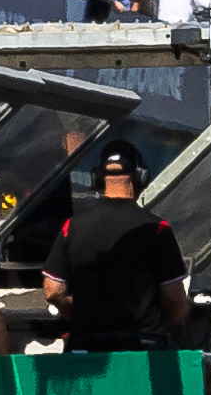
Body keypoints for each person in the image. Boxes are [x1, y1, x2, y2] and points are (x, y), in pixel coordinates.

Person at [45, 139, 192, 353]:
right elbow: (173, 297)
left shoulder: (72, 226)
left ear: (98, 178)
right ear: (141, 177)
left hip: (86, 347)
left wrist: (85, 313)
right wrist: (179, 315)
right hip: (144, 351)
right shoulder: (157, 229)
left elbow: (52, 290)